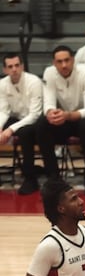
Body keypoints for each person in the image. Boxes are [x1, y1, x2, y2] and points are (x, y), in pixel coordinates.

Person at [36, 46, 85, 195]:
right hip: (63, 119)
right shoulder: (49, 72)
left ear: (73, 60)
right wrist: (51, 113)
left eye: (67, 60)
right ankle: (53, 177)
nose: (64, 65)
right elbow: (49, 101)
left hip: (82, 118)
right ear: (54, 63)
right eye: (59, 62)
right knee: (42, 124)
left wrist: (68, 115)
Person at [0, 53, 42, 195]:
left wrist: (10, 130)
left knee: (25, 133)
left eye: (17, 65)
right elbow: (4, 111)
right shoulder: (2, 84)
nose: (14, 69)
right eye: (10, 67)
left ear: (22, 66)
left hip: (35, 122)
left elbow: (34, 114)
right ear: (5, 70)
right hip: (17, 119)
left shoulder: (34, 81)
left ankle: (30, 179)